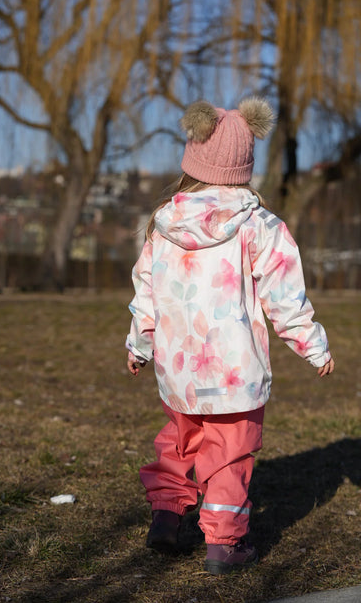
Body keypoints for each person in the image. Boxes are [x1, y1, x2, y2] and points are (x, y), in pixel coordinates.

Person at [125, 97, 335, 575]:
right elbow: (285, 296)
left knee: (179, 442)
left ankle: (166, 516)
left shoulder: (163, 223)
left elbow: (147, 293)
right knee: (229, 452)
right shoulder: (261, 226)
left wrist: (139, 343)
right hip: (235, 373)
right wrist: (313, 345)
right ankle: (224, 545)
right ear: (244, 165)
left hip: (178, 370)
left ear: (192, 159)